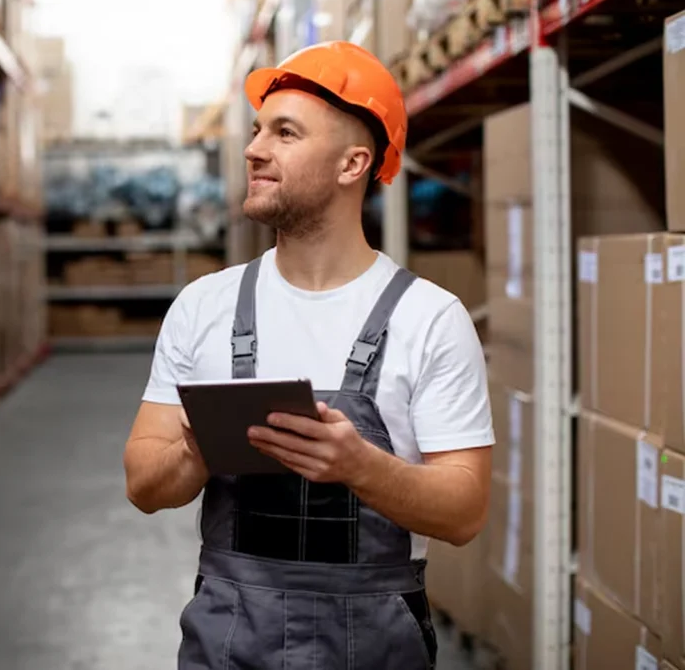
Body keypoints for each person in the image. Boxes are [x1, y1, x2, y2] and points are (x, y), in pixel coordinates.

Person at [122, 40, 493, 669]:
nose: (254, 149)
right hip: (228, 639)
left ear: (353, 164)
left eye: (285, 133)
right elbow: (142, 484)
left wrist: (359, 466)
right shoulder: (204, 306)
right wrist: (195, 451)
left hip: (374, 643)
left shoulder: (429, 318)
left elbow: (465, 512)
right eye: (257, 130)